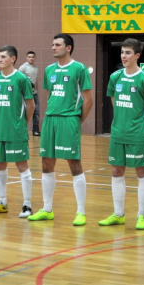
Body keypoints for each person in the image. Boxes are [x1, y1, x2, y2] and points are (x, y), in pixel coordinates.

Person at [27, 33, 93, 226]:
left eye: (57, 45)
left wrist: (76, 120)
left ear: (68, 47)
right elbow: (49, 95)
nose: (53, 48)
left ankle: (81, 212)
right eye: (52, 44)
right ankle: (47, 209)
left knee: (74, 165)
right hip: (51, 120)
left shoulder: (79, 69)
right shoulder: (49, 70)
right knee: (46, 164)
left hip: (69, 120)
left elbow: (88, 100)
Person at [98, 38, 144, 228]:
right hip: (118, 133)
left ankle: (141, 215)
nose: (124, 56)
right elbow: (114, 100)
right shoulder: (115, 77)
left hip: (138, 134)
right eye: (122, 52)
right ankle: (118, 214)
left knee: (141, 171)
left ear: (137, 55)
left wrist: (143, 128)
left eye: (128, 53)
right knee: (116, 171)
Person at [0, 45, 35, 218]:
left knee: (22, 166)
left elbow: (31, 105)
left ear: (13, 59)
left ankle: (27, 205)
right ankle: (2, 202)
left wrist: (21, 124)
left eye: (3, 57)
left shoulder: (21, 79)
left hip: (16, 132)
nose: (0, 60)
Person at [19, 51, 40, 136]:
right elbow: (19, 79)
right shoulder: (23, 68)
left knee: (36, 112)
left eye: (33, 57)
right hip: (25, 94)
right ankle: (22, 129)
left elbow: (36, 80)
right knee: (24, 111)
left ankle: (35, 130)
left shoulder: (35, 67)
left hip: (34, 93)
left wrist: (36, 90)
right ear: (26, 58)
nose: (31, 58)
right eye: (29, 57)